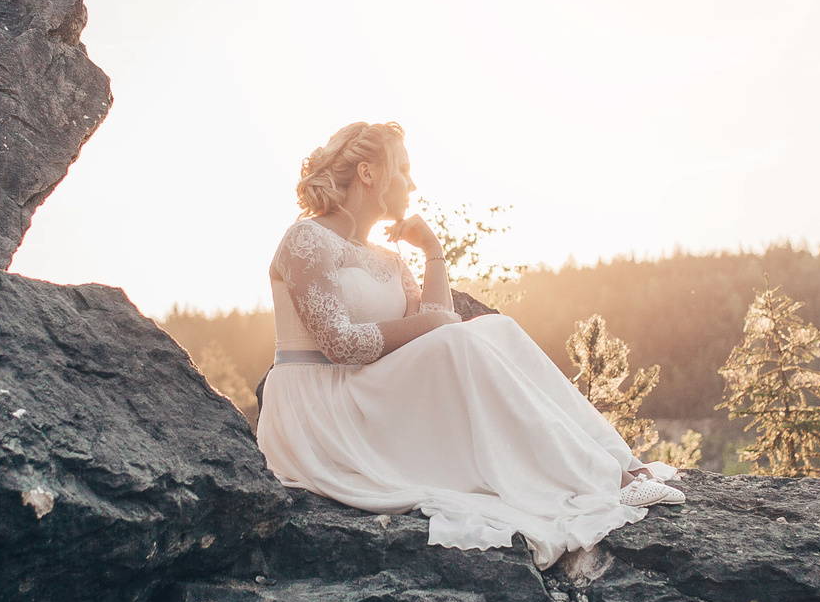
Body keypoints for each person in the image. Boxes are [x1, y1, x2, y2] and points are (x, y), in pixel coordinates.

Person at [256, 120, 684, 570]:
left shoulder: (387, 257)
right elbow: (340, 343)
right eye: (402, 169)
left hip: (367, 391)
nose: (412, 182)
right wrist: (435, 323)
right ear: (368, 173)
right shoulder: (306, 239)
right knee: (459, 342)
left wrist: (433, 252)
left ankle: (618, 464)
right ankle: (599, 479)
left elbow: (441, 326)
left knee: (499, 330)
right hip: (320, 408)